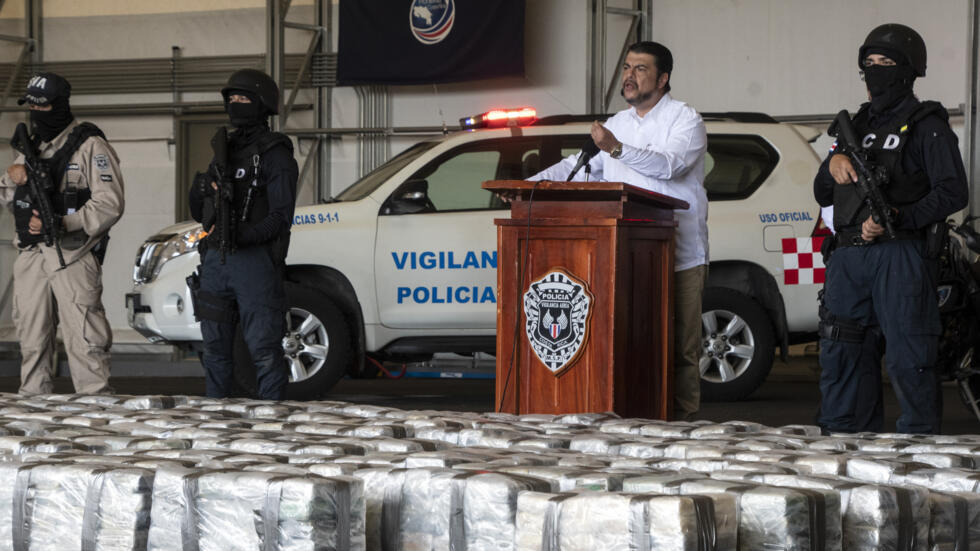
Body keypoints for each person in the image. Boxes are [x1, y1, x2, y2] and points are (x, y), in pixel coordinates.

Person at [529, 41, 708, 420]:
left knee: (679, 349)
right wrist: (527, 186)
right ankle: (630, 418)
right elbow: (575, 166)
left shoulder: (685, 120)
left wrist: (616, 150)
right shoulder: (616, 124)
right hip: (623, 256)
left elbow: (669, 166)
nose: (629, 75)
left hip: (678, 256)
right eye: (627, 66)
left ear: (663, 78)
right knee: (629, 343)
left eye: (640, 68)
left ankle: (682, 424)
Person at [814, 24, 968, 434]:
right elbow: (821, 191)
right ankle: (844, 450)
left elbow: (953, 191)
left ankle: (917, 458)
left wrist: (899, 217)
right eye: (869, 64)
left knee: (909, 357)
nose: (875, 71)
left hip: (899, 255)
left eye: (886, 63)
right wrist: (832, 166)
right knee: (843, 353)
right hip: (847, 256)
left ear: (909, 70)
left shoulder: (927, 125)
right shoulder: (854, 126)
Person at [0, 72, 124, 395]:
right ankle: (34, 412)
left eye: (44, 106)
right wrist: (12, 178)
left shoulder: (90, 146)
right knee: (32, 336)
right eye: (33, 107)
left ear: (60, 105)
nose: (37, 114)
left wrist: (62, 222)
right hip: (31, 256)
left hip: (72, 254)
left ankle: (95, 412)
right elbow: (9, 197)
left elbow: (110, 205)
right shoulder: (30, 148)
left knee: (85, 338)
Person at [188, 68, 298, 400]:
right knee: (215, 349)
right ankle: (216, 419)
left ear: (262, 103)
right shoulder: (224, 150)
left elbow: (281, 217)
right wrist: (202, 188)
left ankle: (272, 420)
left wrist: (244, 236)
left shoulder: (275, 154)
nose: (236, 104)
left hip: (254, 264)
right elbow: (201, 214)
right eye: (231, 98)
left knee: (263, 349)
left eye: (243, 98)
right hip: (216, 261)